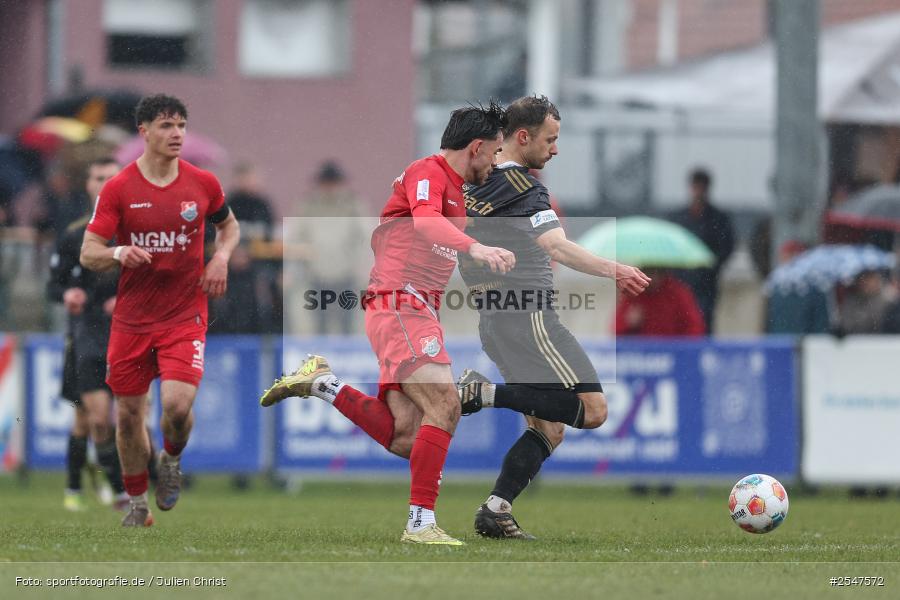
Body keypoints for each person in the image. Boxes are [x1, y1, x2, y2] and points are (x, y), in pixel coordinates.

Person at [260, 102, 515, 545]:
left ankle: (323, 383)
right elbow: (427, 224)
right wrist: (476, 248)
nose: (495, 162)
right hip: (401, 303)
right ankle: (420, 524)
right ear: (475, 146)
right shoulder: (428, 172)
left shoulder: (456, 188)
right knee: (447, 405)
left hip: (413, 309)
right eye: (493, 152)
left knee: (405, 437)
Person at [454, 95, 650, 539]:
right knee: (594, 410)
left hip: (492, 320)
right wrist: (613, 269)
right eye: (551, 139)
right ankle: (483, 394)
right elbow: (556, 246)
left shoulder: (467, 178)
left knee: (549, 428)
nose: (555, 149)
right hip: (530, 317)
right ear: (523, 137)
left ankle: (496, 510)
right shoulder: (526, 187)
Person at [80, 94, 240, 527]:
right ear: (144, 131)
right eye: (167, 126)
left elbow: (229, 226)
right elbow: (89, 251)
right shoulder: (119, 188)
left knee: (176, 408)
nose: (177, 134)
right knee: (129, 415)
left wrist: (220, 257)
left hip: (184, 314)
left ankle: (170, 460)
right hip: (132, 318)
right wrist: (117, 253)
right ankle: (137, 504)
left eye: (181, 126)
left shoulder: (203, 184)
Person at [48, 157, 128, 512]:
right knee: (90, 415)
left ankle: (119, 483)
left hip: (129, 334)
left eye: (111, 177)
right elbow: (53, 285)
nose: (104, 183)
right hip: (85, 335)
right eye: (98, 177)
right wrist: (67, 294)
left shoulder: (135, 230)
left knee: (126, 416)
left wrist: (124, 300)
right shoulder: (74, 234)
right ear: (89, 184)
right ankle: (84, 488)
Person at [291, 160, 369, 335]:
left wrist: (361, 265)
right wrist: (301, 265)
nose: (330, 188)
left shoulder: (353, 205)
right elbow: (297, 237)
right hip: (317, 275)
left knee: (346, 325)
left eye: (333, 183)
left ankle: (346, 360)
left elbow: (364, 238)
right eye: (326, 183)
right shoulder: (308, 206)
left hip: (346, 275)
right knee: (320, 325)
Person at [669, 168, 735, 333]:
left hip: (705, 283)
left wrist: (710, 266)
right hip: (682, 280)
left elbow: (726, 247)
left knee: (703, 322)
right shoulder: (680, 218)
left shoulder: (717, 219)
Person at [614, 267, 705, 336]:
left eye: (655, 272)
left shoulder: (678, 293)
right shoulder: (633, 293)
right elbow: (617, 330)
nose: (652, 278)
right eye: (648, 272)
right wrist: (628, 323)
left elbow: (695, 327)